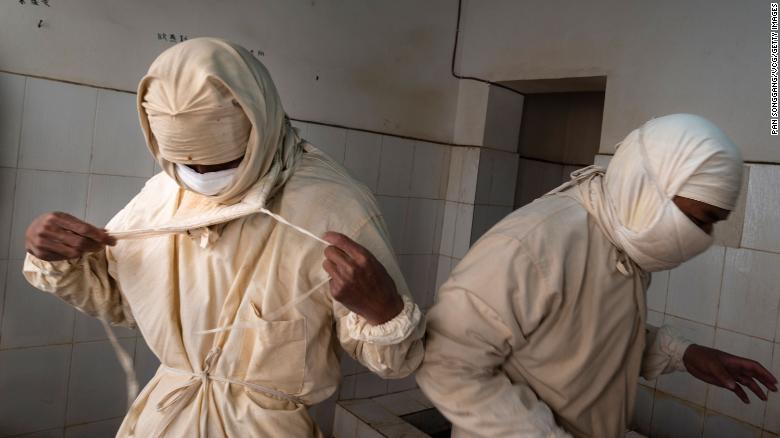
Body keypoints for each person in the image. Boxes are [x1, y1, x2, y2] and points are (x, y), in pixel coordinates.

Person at [22, 37, 425, 437]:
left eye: (226, 164)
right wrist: (56, 256)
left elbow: (398, 361)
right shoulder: (163, 197)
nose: (203, 179)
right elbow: (119, 300)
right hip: (164, 421)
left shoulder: (333, 205)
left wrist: (384, 311)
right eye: (185, 165)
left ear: (261, 125)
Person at [416, 114, 778, 438]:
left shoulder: (623, 241)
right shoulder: (534, 243)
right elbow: (445, 362)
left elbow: (591, 338)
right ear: (649, 190)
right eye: (700, 220)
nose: (703, 238)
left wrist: (685, 354)